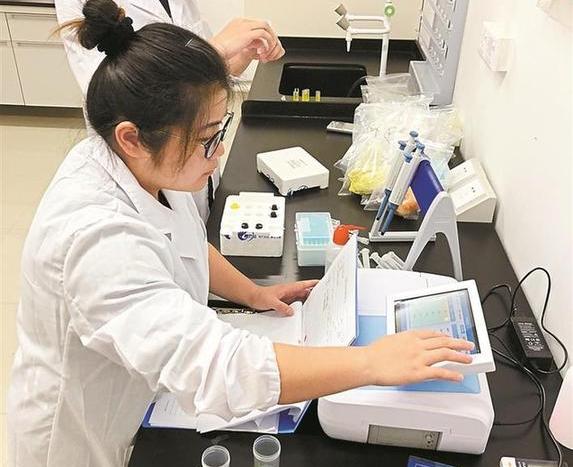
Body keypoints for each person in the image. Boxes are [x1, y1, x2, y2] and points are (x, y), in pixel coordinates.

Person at [7, 2, 474, 466]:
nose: (218, 152)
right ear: (132, 137)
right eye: (206, 137)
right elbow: (221, 369)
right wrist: (372, 363)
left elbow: (184, 242)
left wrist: (253, 293)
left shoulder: (138, 166)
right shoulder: (96, 240)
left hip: (141, 388)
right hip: (81, 435)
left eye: (220, 129)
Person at [55, 0, 285, 222]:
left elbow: (196, 88)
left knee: (195, 227)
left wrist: (231, 60)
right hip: (152, 154)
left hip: (180, 162)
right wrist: (214, 51)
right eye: (208, 136)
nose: (221, 149)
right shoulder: (114, 233)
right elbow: (116, 90)